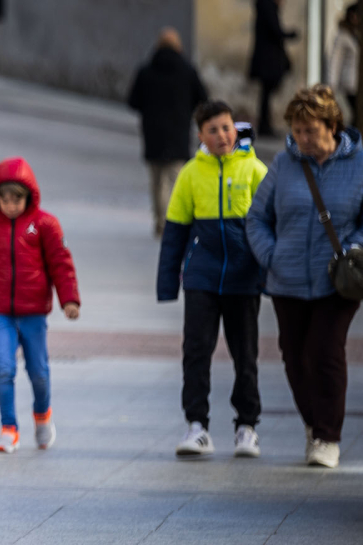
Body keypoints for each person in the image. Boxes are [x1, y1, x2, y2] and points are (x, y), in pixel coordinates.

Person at [246, 85, 363, 469]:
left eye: (310, 130)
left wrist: (354, 249)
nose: (302, 138)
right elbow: (257, 218)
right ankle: (313, 425)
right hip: (288, 279)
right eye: (297, 130)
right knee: (295, 358)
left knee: (325, 351)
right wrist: (271, 256)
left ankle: (328, 437)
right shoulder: (284, 163)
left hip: (338, 279)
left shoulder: (359, 163)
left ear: (332, 125)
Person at [157, 102, 268, 459]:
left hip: (243, 279)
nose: (221, 136)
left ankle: (246, 427)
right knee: (195, 351)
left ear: (235, 129)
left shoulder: (255, 171)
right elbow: (175, 232)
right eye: (213, 130)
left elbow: (272, 229)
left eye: (226, 128)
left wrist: (269, 277)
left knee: (245, 354)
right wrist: (167, 285)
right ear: (200, 135)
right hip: (201, 278)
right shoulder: (191, 174)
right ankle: (197, 425)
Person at [0, 158, 80, 453]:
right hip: (0, 311)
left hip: (34, 311)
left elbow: (60, 264)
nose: (11, 206)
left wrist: (69, 299)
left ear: (29, 197)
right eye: (5, 199)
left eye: (17, 199)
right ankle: (9, 428)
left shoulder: (45, 225)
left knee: (38, 371)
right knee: (4, 368)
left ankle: (42, 414)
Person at [128, 27, 210, 237]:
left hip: (153, 133)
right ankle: (173, 221)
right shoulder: (187, 70)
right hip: (178, 132)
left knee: (156, 181)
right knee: (175, 179)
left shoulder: (146, 70)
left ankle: (160, 221)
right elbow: (202, 97)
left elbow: (133, 101)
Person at [248, 0, 298, 137]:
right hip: (269, 61)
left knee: (266, 93)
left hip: (266, 60)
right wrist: (290, 35)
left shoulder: (263, 7)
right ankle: (265, 125)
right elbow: (276, 31)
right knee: (267, 93)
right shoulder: (268, 8)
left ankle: (265, 124)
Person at [328, 3, 359, 123]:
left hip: (356, 82)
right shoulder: (342, 36)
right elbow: (335, 61)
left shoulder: (355, 34)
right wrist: (332, 85)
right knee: (356, 113)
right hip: (350, 82)